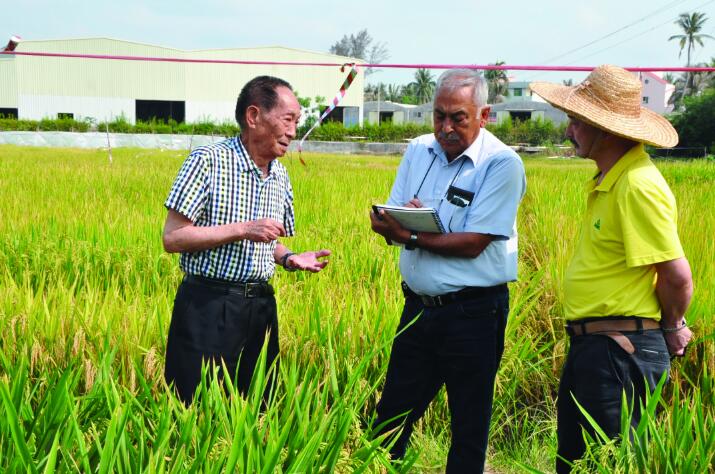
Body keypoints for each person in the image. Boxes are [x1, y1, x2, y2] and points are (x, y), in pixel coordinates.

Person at [530, 65, 694, 473]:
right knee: (577, 462)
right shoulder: (611, 180)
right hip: (598, 348)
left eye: (575, 121)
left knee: (606, 464)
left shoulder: (638, 185)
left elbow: (676, 275)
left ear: (603, 128)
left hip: (620, 352)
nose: (569, 131)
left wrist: (673, 326)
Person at [369, 68, 527, 473]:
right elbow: (394, 216)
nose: (446, 128)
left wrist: (411, 236)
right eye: (439, 116)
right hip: (419, 308)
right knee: (389, 421)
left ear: (484, 114)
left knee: (468, 426)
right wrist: (393, 227)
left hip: (473, 314)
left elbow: (475, 243)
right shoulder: (419, 149)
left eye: (458, 117)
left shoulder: (501, 164)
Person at [162, 75, 330, 405]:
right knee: (195, 407)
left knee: (256, 406)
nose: (293, 132)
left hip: (260, 307)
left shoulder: (280, 174)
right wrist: (243, 228)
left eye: (297, 122)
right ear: (254, 117)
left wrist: (288, 257)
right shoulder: (208, 161)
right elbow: (173, 237)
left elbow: (270, 241)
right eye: (288, 119)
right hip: (208, 304)